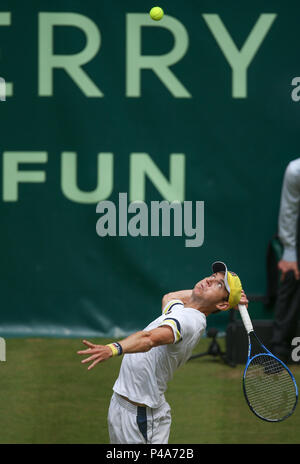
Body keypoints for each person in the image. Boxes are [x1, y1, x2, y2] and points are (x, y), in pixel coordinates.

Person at [77, 261, 248, 444]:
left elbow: (149, 339)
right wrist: (208, 295)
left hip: (139, 417)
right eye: (213, 277)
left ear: (222, 305)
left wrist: (112, 349)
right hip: (125, 405)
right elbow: (170, 296)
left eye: (219, 284)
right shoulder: (183, 312)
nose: (209, 280)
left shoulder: (189, 321)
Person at [270, 158, 300, 363]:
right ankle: (278, 352)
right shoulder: (296, 171)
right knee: (291, 277)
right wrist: (289, 252)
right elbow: (289, 210)